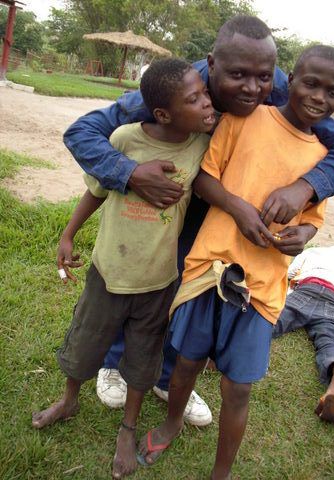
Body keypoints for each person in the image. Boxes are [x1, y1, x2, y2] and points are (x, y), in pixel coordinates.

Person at [63, 14, 334, 420]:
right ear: (212, 64)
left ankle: (168, 378)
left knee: (186, 290)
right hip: (171, 194)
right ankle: (115, 362)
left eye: (264, 77)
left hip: (221, 210)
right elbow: (82, 132)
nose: (253, 89)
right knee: (139, 277)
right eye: (237, 74)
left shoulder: (278, 90)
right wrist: (129, 173)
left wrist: (304, 188)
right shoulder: (179, 86)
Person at [136, 41, 334, 480]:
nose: (318, 97)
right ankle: (172, 421)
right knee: (187, 362)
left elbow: (313, 221)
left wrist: (301, 237)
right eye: (310, 83)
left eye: (333, 92)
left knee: (238, 387)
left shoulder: (322, 162)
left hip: (262, 286)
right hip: (209, 268)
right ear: (287, 80)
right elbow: (204, 179)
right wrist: (239, 208)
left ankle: (222, 472)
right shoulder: (245, 119)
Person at [32, 58, 216, 479]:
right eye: (195, 98)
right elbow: (96, 191)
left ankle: (128, 429)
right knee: (85, 341)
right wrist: (68, 234)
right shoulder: (123, 139)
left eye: (204, 92)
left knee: (144, 356)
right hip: (107, 270)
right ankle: (69, 399)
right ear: (163, 113)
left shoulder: (201, 146)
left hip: (158, 281)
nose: (207, 102)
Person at [273, 242, 334, 425]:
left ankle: (225, 352)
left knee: (272, 323)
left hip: (306, 289)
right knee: (329, 341)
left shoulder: (314, 252)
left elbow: (289, 272)